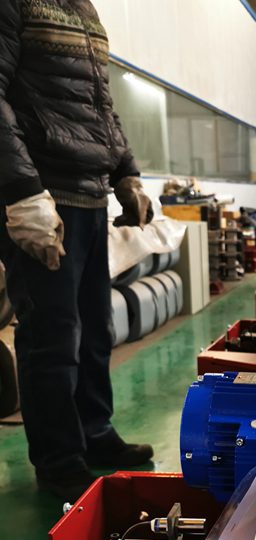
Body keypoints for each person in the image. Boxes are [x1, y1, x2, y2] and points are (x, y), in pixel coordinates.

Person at [0, 0, 155, 502]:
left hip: (89, 195)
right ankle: (59, 459)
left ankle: (94, 432)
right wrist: (22, 191)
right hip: (43, 196)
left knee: (94, 330)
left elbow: (100, 104)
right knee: (53, 336)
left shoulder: (83, 9)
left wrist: (126, 172)